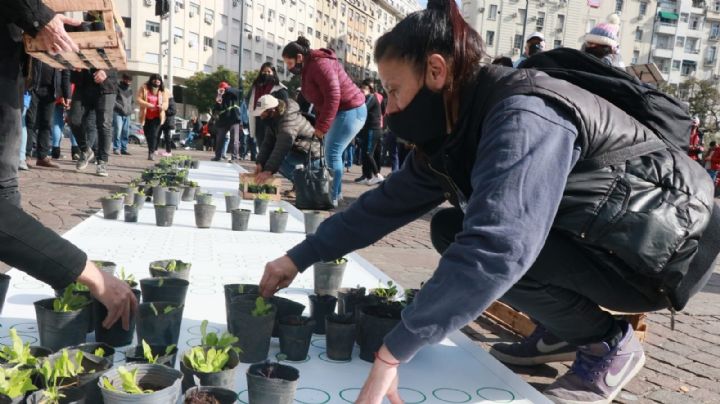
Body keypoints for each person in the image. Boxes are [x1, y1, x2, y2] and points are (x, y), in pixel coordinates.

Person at [258, 1, 716, 403]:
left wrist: (393, 350)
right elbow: (384, 205)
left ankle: (608, 344)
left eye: (394, 90)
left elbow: (499, 247)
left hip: (654, 252)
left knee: (486, 240)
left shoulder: (524, 113)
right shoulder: (457, 129)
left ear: (436, 71)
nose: (390, 108)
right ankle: (562, 328)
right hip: (600, 235)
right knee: (449, 230)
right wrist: (297, 258)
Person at [282, 36, 368, 206]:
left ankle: (332, 197)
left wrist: (322, 126)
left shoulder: (320, 65)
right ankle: (336, 193)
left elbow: (333, 96)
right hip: (342, 111)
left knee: (332, 153)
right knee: (332, 153)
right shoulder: (309, 67)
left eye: (289, 63)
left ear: (299, 57)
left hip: (351, 109)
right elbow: (317, 100)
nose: (288, 67)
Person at [253, 94, 320, 185]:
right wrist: (260, 163)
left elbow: (281, 148)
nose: (261, 117)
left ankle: (302, 185)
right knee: (276, 163)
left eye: (262, 113)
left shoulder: (288, 120)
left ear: (272, 110)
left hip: (312, 152)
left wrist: (268, 171)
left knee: (312, 185)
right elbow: (267, 143)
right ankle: (300, 185)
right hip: (299, 150)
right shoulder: (273, 119)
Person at [29, 60, 70, 168]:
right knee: (30, 121)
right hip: (33, 88)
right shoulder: (38, 45)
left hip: (51, 91)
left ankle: (42, 157)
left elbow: (66, 73)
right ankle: (26, 155)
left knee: (46, 123)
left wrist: (67, 95)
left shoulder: (60, 51)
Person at [248, 62, 289, 149]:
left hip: (272, 123)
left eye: (268, 71)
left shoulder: (280, 89)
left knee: (271, 148)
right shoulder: (255, 87)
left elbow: (284, 108)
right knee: (261, 146)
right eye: (264, 71)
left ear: (273, 73)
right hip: (258, 120)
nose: (266, 74)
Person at [355, 79, 384, 185]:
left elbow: (363, 108)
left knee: (369, 153)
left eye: (365, 88)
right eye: (361, 87)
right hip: (368, 129)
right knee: (364, 154)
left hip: (374, 129)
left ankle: (378, 175)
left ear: (370, 89)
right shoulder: (367, 98)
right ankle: (367, 177)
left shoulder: (372, 97)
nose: (362, 90)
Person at [136, 74, 169, 161]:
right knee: (147, 135)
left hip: (157, 116)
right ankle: (151, 149)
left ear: (161, 81)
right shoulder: (144, 88)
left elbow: (166, 103)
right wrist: (148, 105)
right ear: (151, 80)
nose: (157, 81)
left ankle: (151, 153)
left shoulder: (163, 91)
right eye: (155, 79)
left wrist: (162, 107)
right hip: (146, 116)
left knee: (154, 135)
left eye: (159, 80)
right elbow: (138, 99)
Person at [212, 81, 243, 161]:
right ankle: (217, 156)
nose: (222, 90)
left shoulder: (232, 93)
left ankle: (234, 158)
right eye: (220, 88)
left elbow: (239, 92)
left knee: (234, 139)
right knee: (220, 139)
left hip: (234, 118)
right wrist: (219, 95)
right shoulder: (220, 95)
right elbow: (217, 107)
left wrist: (227, 88)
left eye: (223, 88)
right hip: (223, 120)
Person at [112, 74, 133, 155]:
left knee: (125, 132)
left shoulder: (130, 90)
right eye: (127, 80)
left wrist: (131, 109)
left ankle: (124, 148)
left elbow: (132, 101)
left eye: (130, 81)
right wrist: (121, 108)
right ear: (123, 79)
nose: (128, 82)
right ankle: (116, 148)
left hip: (127, 114)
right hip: (118, 113)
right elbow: (113, 100)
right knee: (118, 130)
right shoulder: (117, 87)